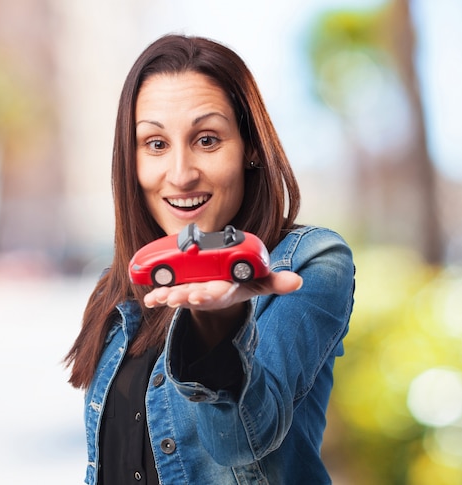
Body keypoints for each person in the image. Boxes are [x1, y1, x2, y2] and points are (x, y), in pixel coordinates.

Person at [65, 33, 355, 485]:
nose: (180, 174)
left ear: (250, 148)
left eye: (206, 139)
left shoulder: (310, 261)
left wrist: (219, 336)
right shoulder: (117, 287)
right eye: (156, 144)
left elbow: (239, 440)